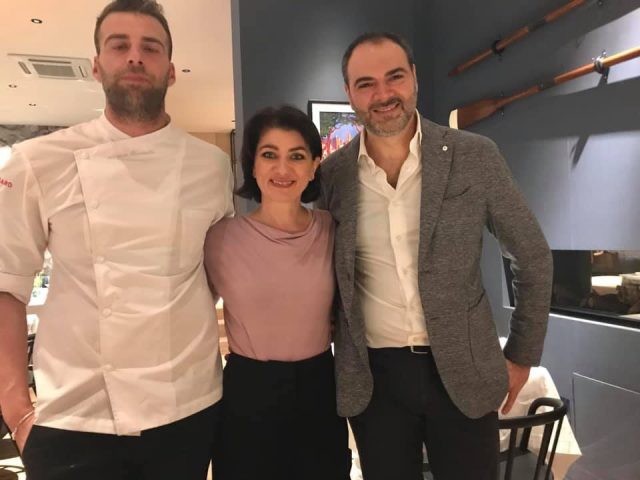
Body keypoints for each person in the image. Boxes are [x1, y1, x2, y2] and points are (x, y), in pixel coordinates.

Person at [0, 1, 233, 478]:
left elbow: (218, 273)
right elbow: (8, 283)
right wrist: (17, 410)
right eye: (119, 45)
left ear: (171, 71)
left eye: (151, 47)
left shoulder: (211, 166)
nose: (135, 57)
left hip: (187, 408)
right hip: (75, 414)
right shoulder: (37, 161)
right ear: (96, 65)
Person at [317, 32, 553, 480]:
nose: (383, 94)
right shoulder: (333, 176)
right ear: (349, 93)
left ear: (414, 79)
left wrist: (522, 354)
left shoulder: (474, 156)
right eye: (366, 83)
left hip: (464, 371)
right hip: (375, 381)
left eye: (394, 77)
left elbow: (533, 255)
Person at [204, 106, 351, 480]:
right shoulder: (221, 239)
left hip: (319, 388)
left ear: (314, 166)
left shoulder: (332, 230)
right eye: (269, 154)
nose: (282, 169)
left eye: (296, 156)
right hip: (248, 395)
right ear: (252, 165)